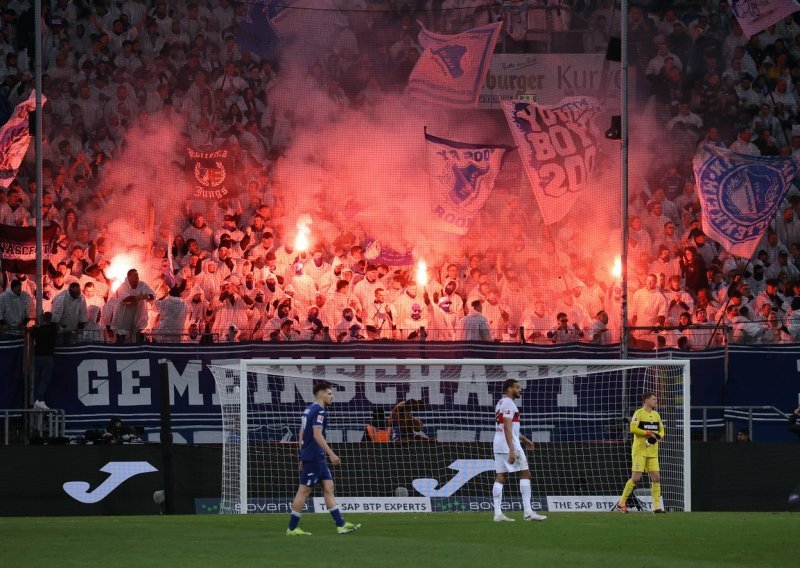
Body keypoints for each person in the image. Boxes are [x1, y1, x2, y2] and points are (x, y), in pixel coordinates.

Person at [286, 382, 361, 536]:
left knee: (329, 487)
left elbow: (301, 433)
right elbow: (316, 434)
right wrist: (331, 453)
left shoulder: (308, 409)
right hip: (315, 456)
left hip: (314, 456)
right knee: (304, 491)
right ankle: (292, 528)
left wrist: (302, 454)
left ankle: (341, 525)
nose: (332, 396)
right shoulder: (320, 410)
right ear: (320, 394)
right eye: (329, 393)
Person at [492, 378, 547, 522]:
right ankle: (528, 512)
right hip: (508, 445)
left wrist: (525, 439)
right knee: (525, 474)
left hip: (498, 443)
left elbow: (510, 428)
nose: (520, 390)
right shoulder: (509, 403)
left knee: (501, 476)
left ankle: (497, 514)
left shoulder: (500, 403)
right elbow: (508, 428)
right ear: (509, 388)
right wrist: (511, 448)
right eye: (517, 387)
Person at [614, 391, 666, 514]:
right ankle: (621, 503)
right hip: (640, 451)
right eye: (653, 399)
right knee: (636, 478)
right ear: (646, 400)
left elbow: (662, 430)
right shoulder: (639, 413)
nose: (656, 401)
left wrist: (656, 438)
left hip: (652, 452)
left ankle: (656, 507)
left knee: (656, 478)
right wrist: (648, 433)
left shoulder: (656, 415)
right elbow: (633, 429)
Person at [31, 312, 59, 411]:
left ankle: (34, 401)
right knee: (44, 380)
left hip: (37, 356)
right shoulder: (53, 329)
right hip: (48, 357)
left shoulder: (37, 330)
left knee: (36, 380)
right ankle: (39, 400)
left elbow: (32, 332)